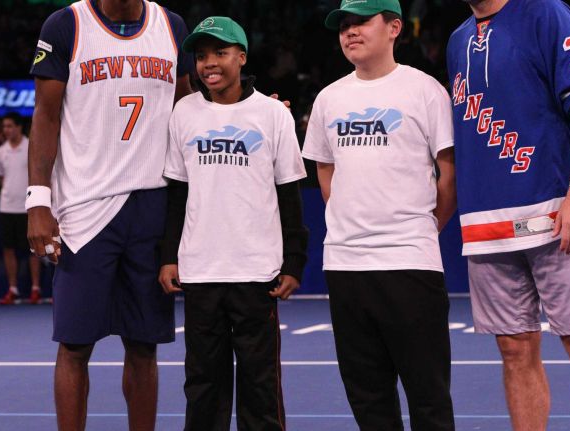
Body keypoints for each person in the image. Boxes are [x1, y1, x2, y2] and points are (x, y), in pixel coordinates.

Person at [447, 1, 570, 430]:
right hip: (486, 224)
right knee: (514, 350)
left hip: (555, 213)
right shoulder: (457, 41)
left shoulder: (547, 13)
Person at [28, 0, 193, 429]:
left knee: (143, 345)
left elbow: (189, 109)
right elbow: (45, 116)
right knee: (75, 344)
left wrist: (253, 109)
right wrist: (37, 201)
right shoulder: (66, 24)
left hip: (152, 203)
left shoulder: (171, 26)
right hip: (85, 209)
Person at [302, 1, 457, 429]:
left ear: (393, 28)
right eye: (344, 25)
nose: (350, 32)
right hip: (346, 265)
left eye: (361, 23)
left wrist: (424, 225)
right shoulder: (329, 97)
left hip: (409, 263)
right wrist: (353, 219)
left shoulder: (424, 90)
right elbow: (325, 167)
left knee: (429, 399)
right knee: (369, 403)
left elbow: (449, 172)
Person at [159, 17, 308, 430]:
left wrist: (294, 261)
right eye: (202, 55)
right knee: (203, 385)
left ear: (241, 57)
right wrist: (169, 257)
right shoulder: (183, 113)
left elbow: (289, 193)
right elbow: (178, 193)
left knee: (261, 388)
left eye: (220, 53)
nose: (209, 63)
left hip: (256, 272)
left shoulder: (273, 114)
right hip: (200, 271)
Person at [0, 112, 42, 304]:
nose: (6, 130)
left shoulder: (31, 146)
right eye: (4, 126)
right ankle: (13, 288)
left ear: (19, 127)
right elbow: (1, 178)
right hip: (6, 207)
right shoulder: (0, 152)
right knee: (8, 249)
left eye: (9, 126)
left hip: (28, 207)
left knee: (34, 250)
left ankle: (35, 288)